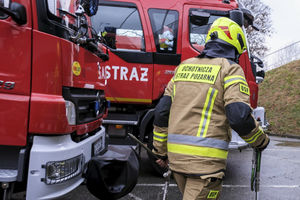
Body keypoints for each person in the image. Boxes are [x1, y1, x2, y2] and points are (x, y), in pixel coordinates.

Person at [152, 17, 270, 200]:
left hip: (177, 163)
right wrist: (260, 140)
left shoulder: (183, 68)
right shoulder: (230, 69)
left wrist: (160, 151)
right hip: (205, 168)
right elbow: (239, 117)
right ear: (234, 44)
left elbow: (161, 113)